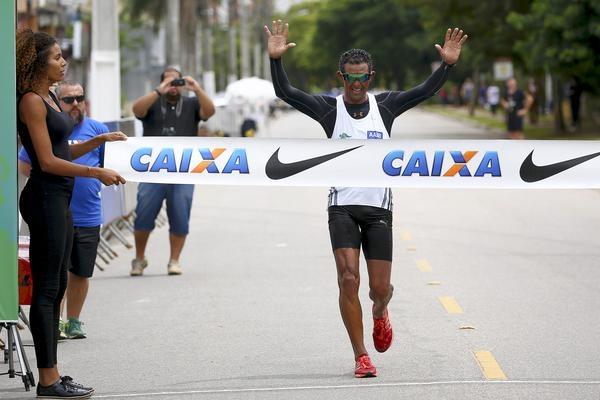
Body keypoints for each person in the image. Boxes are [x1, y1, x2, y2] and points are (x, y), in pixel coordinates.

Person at [265, 20, 467, 378]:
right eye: (349, 78)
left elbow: (424, 91)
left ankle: (380, 312)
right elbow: (287, 93)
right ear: (340, 77)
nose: (356, 85)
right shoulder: (329, 110)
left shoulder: (385, 107)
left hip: (378, 210)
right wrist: (276, 61)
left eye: (362, 78)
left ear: (370, 76)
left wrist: (448, 66)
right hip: (341, 205)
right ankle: (361, 356)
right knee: (347, 279)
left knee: (379, 289)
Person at [16, 28, 125, 398]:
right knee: (47, 291)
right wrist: (96, 171)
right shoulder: (31, 100)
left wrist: (97, 142)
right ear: (38, 63)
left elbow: (61, 151)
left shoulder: (49, 95)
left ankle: (54, 373)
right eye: (57, 58)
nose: (63, 63)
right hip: (45, 197)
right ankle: (48, 380)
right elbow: (45, 162)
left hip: (59, 198)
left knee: (58, 285)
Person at [18, 81, 109, 340]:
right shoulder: (40, 114)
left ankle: (73, 321)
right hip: (51, 206)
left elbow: (104, 160)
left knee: (79, 272)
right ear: (58, 103)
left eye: (80, 97)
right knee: (53, 278)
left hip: (86, 213)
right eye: (69, 99)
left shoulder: (95, 128)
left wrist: (99, 144)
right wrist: (91, 171)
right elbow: (37, 163)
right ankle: (53, 325)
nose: (76, 103)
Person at [130, 66, 215, 276]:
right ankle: (139, 259)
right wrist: (159, 91)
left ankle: (174, 260)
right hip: (152, 171)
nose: (172, 87)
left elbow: (209, 111)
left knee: (180, 215)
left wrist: (196, 88)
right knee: (143, 215)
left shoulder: (192, 103)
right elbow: (137, 110)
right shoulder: (153, 102)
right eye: (168, 82)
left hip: (182, 171)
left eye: (176, 82)